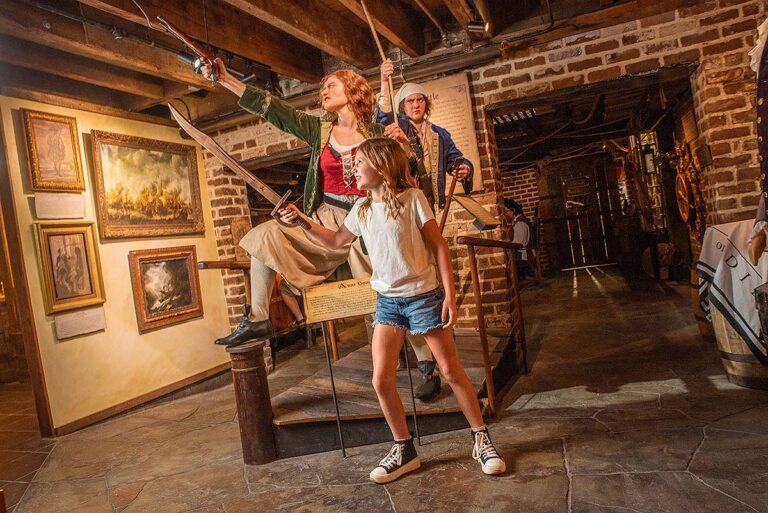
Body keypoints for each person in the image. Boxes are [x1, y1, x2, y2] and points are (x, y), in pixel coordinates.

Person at [279, 138, 505, 483]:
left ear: (381, 166)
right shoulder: (361, 208)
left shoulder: (412, 199)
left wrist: (449, 295)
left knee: (450, 371)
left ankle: (481, 438)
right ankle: (404, 449)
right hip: (387, 302)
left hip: (423, 296)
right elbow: (336, 241)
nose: (353, 169)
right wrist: (301, 221)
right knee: (381, 380)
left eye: (359, 163)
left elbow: (439, 246)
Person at [199, 59, 412, 348]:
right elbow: (275, 109)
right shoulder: (319, 130)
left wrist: (405, 150)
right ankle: (258, 318)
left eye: (331, 86)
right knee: (265, 236)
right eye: (323, 87)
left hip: (369, 219)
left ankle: (416, 355)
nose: (324, 91)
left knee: (382, 295)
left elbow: (404, 177)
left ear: (352, 91)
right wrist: (225, 79)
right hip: (328, 219)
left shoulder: (377, 132)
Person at [376, 58, 475, 400]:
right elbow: (381, 118)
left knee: (431, 281)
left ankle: (439, 351)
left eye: (420, 100)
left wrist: (463, 167)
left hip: (429, 210)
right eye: (410, 102)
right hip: (401, 211)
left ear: (426, 104)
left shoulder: (440, 135)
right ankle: (425, 367)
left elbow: (457, 159)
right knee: (410, 282)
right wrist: (384, 80)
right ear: (403, 106)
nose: (416, 105)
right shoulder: (395, 127)